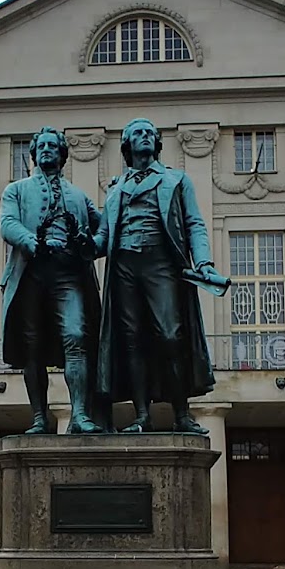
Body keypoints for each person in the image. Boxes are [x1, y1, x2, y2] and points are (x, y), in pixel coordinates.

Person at [94, 118, 222, 433]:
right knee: (132, 339)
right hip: (124, 267)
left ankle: (181, 414)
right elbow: (103, 238)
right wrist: (80, 242)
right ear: (127, 144)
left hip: (161, 263)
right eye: (138, 133)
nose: (145, 136)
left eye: (150, 133)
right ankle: (141, 415)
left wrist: (203, 261)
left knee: (170, 335)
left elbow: (194, 223)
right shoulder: (115, 188)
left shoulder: (176, 180)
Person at [0, 127, 103, 434]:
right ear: (34, 154)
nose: (47, 149)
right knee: (32, 347)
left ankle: (80, 415)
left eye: (53, 146)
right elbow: (8, 223)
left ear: (62, 154)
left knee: (76, 336)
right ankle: (39, 418)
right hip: (31, 274)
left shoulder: (79, 196)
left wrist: (89, 243)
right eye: (42, 146)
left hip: (68, 275)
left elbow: (103, 231)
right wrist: (32, 242)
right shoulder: (16, 190)